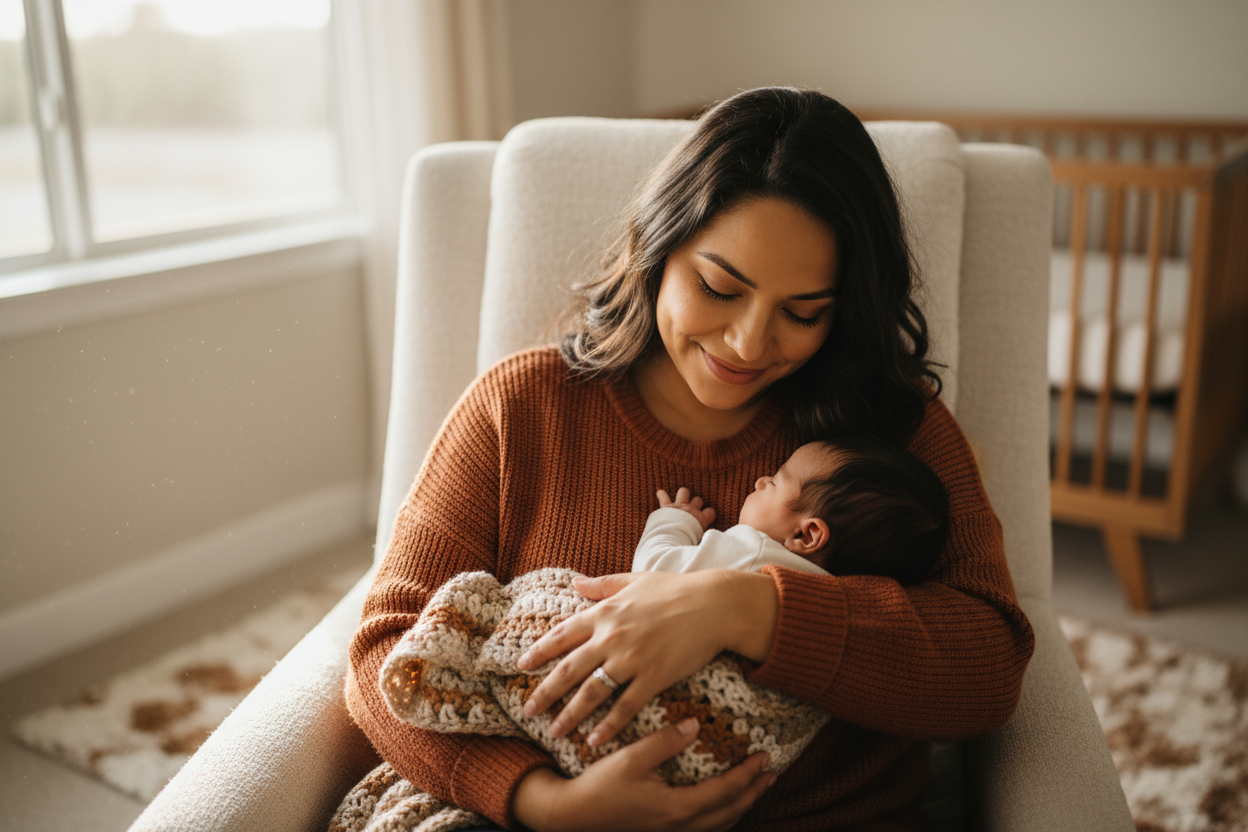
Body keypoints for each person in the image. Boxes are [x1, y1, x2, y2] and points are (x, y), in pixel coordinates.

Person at [346, 86, 1035, 831]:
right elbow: (387, 648)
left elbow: (989, 665)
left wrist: (749, 608)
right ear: (657, 249)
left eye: (803, 312)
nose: (748, 343)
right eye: (718, 288)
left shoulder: (889, 432)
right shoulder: (521, 409)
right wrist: (541, 802)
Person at [635, 437, 950, 583]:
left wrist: (677, 521)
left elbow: (651, 573)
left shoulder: (753, 553)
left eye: (775, 481)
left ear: (805, 535)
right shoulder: (834, 597)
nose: (760, 481)